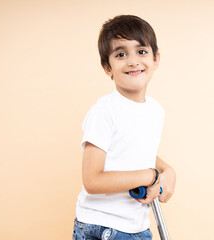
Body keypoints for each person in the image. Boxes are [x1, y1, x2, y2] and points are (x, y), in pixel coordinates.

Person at [72, 15, 176, 240]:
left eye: (141, 51)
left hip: (134, 226)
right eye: (121, 54)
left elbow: (134, 149)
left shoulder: (155, 111)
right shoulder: (105, 112)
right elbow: (92, 180)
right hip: (104, 225)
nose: (132, 61)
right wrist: (149, 176)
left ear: (156, 59)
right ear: (107, 67)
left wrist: (167, 171)